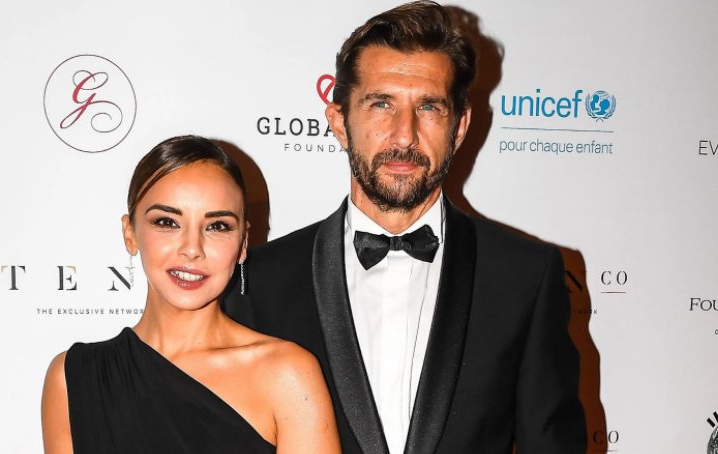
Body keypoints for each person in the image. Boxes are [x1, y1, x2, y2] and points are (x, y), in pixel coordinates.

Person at [225, 2, 587, 453]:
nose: (404, 135)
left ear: (460, 127)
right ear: (339, 122)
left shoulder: (524, 278)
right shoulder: (261, 282)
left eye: (429, 107)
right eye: (381, 104)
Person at [41, 136, 341, 454]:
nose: (192, 248)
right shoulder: (74, 379)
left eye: (217, 226)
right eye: (167, 222)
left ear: (242, 243)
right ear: (130, 233)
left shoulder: (286, 374)